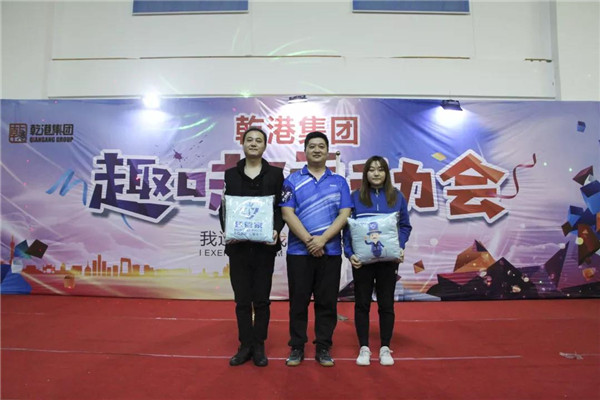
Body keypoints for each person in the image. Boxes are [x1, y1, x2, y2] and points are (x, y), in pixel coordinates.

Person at [280, 131, 352, 367]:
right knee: (298, 302)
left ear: (327, 151)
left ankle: (323, 346)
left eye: (321, 146)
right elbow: (287, 213)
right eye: (312, 146)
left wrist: (323, 240)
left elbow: (344, 214)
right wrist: (310, 241)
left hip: (330, 253)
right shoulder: (292, 180)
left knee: (327, 303)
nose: (317, 150)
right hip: (298, 253)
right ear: (305, 150)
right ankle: (297, 346)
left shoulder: (339, 182)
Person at [218, 127, 285, 367]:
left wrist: (276, 229)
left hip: (265, 249)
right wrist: (227, 230)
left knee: (262, 300)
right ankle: (245, 344)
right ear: (243, 144)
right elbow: (224, 208)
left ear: (265, 146)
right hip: (238, 248)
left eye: (258, 140)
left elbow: (281, 208)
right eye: (249, 140)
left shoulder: (276, 175)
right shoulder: (230, 175)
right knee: (242, 300)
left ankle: (259, 345)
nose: (254, 143)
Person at [343, 155, 412, 366]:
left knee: (386, 304)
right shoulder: (355, 197)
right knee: (362, 304)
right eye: (371, 169)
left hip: (388, 262)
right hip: (362, 263)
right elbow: (347, 228)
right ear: (365, 174)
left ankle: (385, 347)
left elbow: (405, 226)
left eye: (380, 169)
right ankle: (364, 347)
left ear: (386, 173)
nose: (376, 173)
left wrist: (399, 246)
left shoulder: (396, 196)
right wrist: (350, 253)